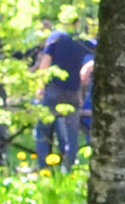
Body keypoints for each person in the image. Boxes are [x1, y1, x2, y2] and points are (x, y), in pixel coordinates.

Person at [30, 20, 93, 173]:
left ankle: (44, 169)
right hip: (73, 93)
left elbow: (45, 63)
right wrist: (89, 65)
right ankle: (67, 170)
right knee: (72, 137)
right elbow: (102, 51)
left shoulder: (56, 37)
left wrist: (40, 86)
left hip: (53, 91)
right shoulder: (82, 40)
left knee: (42, 131)